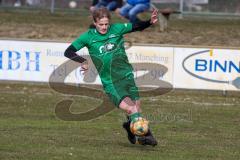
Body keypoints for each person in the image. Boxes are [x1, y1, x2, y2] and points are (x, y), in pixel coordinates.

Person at [64, 7, 158, 146]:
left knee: (137, 108)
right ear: (95, 22)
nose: (104, 27)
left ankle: (129, 127)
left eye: (106, 24)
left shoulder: (117, 29)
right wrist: (83, 61)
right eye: (101, 24)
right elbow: (69, 51)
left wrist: (149, 21)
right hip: (111, 81)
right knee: (130, 109)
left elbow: (136, 27)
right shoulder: (88, 37)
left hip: (126, 75)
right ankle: (146, 135)